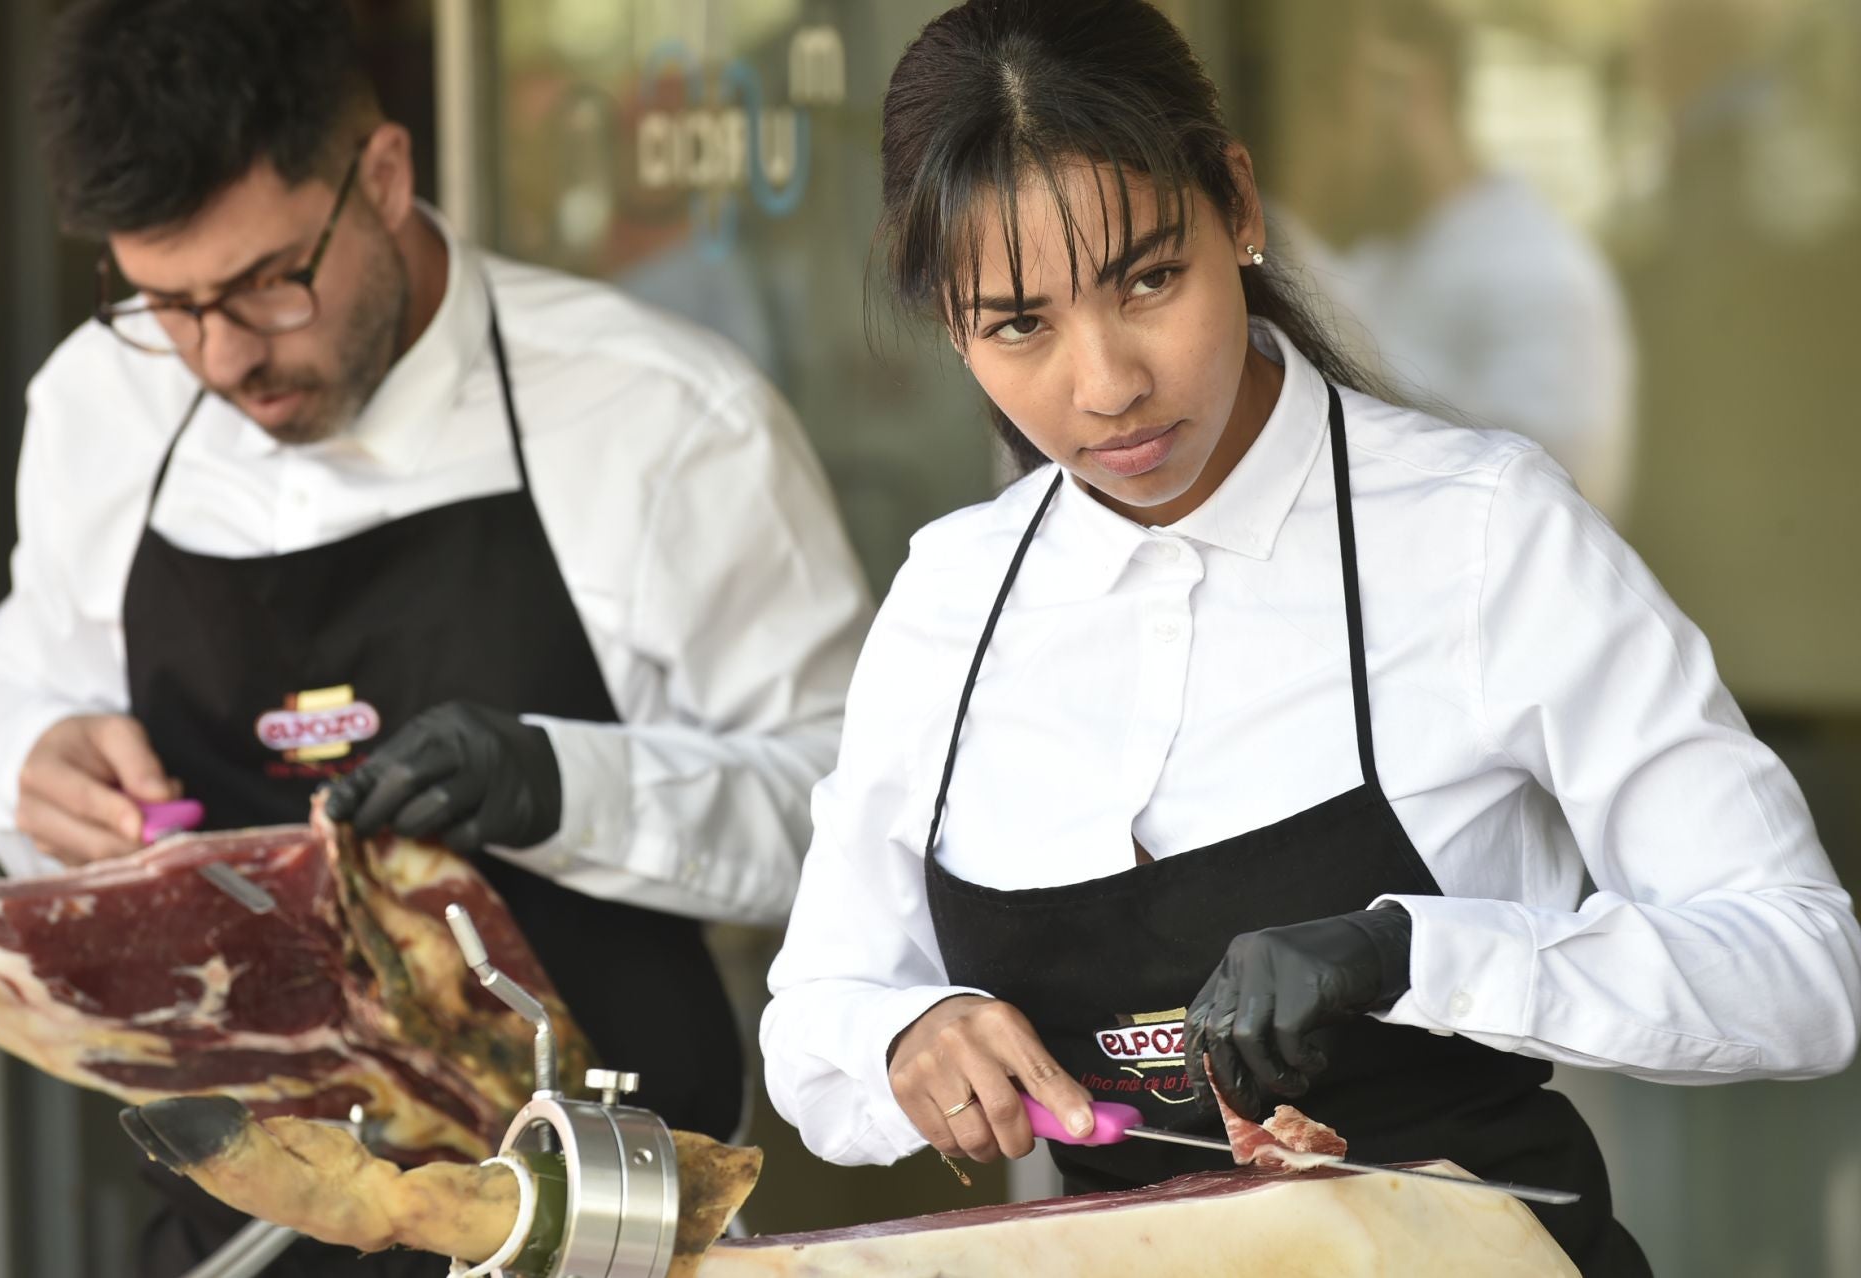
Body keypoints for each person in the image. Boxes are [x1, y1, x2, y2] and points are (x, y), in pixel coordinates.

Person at [756, 3, 1861, 1275]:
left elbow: (1799, 971)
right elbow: (814, 1022)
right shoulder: (954, 598)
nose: (1106, 381)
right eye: (1021, 326)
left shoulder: (1481, 536)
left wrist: (1415, 952)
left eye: (1149, 279)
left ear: (1237, 207)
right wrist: (912, 1033)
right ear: (952, 325)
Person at [0, 0, 869, 1274]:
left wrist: (564, 784)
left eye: (271, 282)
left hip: (598, 1230)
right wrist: (31, 756)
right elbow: (23, 665)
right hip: (243, 1223)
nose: (221, 356)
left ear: (383, 176)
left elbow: (850, 814)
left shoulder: (662, 419)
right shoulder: (100, 401)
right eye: (169, 302)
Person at [1267, 0, 1636, 518]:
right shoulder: (1392, 253)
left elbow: (1564, 484)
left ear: (1421, 87)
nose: (1354, 121)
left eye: (1371, 82)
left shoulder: (1535, 265)